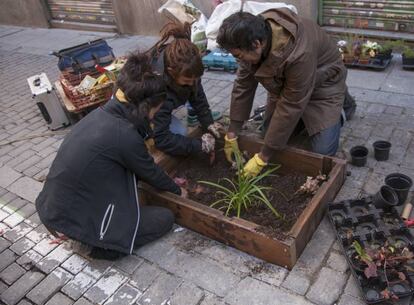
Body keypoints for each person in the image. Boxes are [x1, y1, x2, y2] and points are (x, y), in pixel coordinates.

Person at [35, 53, 185, 260]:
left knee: (135, 203)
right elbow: (150, 172)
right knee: (164, 218)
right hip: (71, 220)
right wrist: (179, 191)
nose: (155, 115)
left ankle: (83, 233)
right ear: (146, 107)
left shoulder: (102, 114)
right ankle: (94, 246)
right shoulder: (125, 134)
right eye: (156, 109)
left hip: (54, 207)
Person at [217, 9, 348, 177]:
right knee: (268, 135)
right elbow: (243, 85)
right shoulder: (252, 35)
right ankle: (302, 119)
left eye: (239, 55)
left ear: (257, 44)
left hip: (323, 86)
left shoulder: (299, 53)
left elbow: (291, 104)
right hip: (289, 87)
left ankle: (341, 107)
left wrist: (262, 158)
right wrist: (232, 132)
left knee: (322, 152)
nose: (239, 60)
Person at [148, 22, 223, 156]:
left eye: (195, 80)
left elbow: (198, 98)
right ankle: (143, 133)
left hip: (160, 106)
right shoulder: (156, 87)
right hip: (136, 112)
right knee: (177, 134)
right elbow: (162, 138)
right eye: (187, 81)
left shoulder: (189, 68)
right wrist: (199, 146)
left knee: (179, 133)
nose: (192, 83)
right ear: (171, 72)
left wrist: (209, 124)